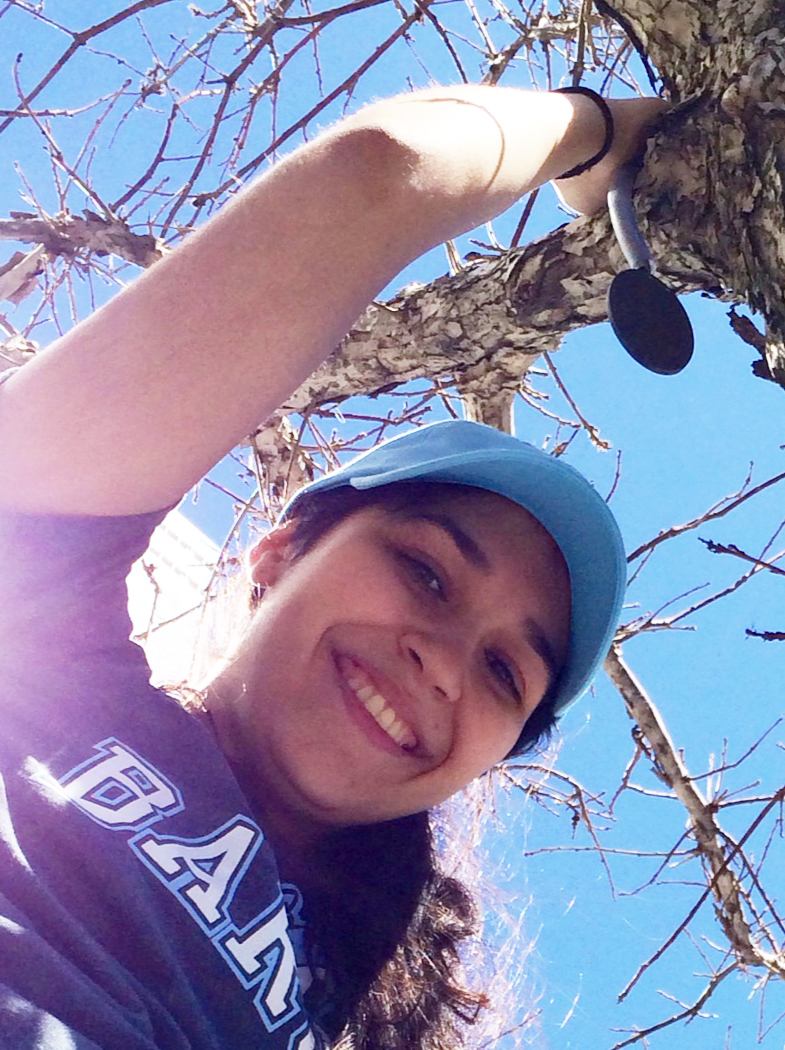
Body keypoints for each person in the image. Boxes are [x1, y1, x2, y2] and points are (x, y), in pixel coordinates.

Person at [0, 84, 665, 1049]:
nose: (443, 662)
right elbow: (379, 170)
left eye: (502, 674)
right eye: (427, 573)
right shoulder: (40, 660)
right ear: (278, 549)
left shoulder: (356, 1022)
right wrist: (593, 132)